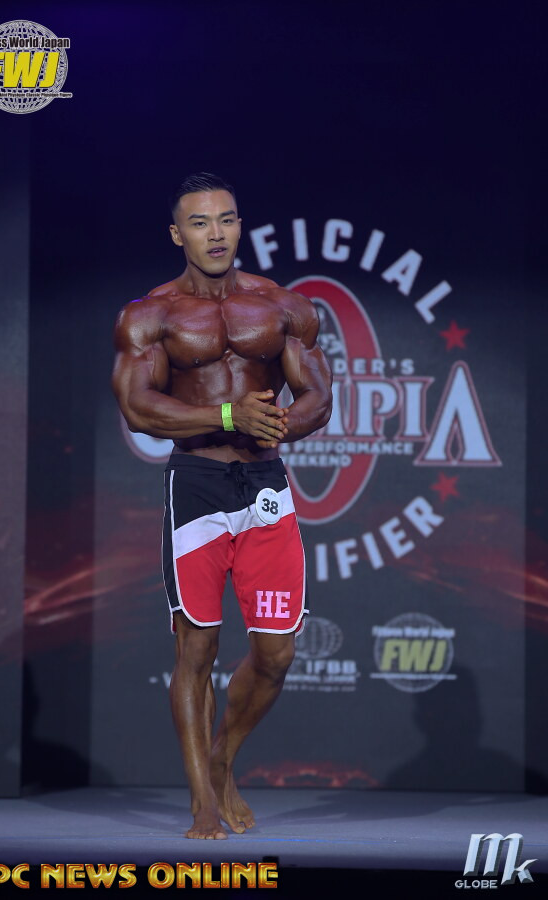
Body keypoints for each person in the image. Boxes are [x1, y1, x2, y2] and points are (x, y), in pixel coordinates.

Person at [112, 173, 332, 840]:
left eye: (227, 220)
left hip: (264, 486)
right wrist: (229, 415)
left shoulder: (283, 307)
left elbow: (318, 397)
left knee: (276, 655)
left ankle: (222, 757)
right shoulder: (150, 315)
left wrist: (280, 425)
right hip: (198, 488)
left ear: (240, 226)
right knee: (197, 649)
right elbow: (139, 407)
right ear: (177, 233)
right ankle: (203, 801)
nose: (216, 234)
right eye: (201, 223)